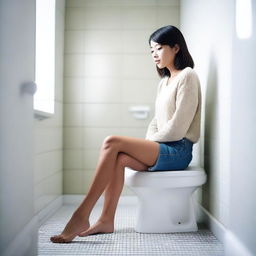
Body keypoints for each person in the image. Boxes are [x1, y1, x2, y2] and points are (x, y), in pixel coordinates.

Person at [50, 25, 201, 243]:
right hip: (164, 148)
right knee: (119, 159)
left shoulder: (188, 76)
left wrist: (148, 145)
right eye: (151, 51)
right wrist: (149, 144)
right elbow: (156, 121)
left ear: (176, 48)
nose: (154, 55)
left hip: (179, 150)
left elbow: (178, 128)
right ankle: (106, 219)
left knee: (112, 142)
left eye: (158, 48)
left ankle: (81, 215)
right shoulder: (164, 82)